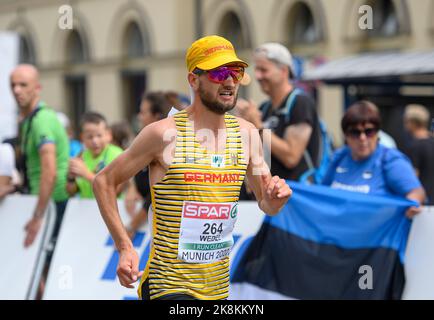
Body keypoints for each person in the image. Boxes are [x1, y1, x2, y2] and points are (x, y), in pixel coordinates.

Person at [93, 35, 292, 300]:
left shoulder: (248, 134)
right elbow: (103, 181)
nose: (230, 81)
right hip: (169, 286)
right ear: (194, 79)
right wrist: (125, 246)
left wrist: (276, 197)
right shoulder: (162, 134)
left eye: (235, 72)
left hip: (217, 288)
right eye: (219, 72)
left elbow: (265, 202)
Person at [322, 100, 425, 218]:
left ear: (377, 133)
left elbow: (416, 192)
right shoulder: (339, 157)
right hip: (339, 233)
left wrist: (412, 205)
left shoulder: (389, 160)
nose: (362, 138)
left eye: (369, 131)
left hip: (378, 234)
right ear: (346, 135)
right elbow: (322, 193)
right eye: (355, 132)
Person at [236, 42, 321, 181]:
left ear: (283, 71)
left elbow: (291, 156)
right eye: (256, 69)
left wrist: (258, 126)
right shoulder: (265, 108)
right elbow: (261, 157)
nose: (258, 76)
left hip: (295, 194)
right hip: (270, 194)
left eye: (263, 70)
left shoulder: (300, 102)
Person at [10, 64, 70, 248]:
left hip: (53, 204)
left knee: (45, 271)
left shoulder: (41, 121)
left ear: (37, 88)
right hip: (42, 202)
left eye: (23, 84)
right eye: (12, 85)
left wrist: (38, 216)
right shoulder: (29, 119)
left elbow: (49, 171)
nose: (17, 90)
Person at [124, 91, 171, 237]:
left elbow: (157, 193)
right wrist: (132, 187)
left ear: (156, 116)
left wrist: (132, 226)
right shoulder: (144, 139)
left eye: (143, 112)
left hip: (165, 230)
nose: (139, 116)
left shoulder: (165, 143)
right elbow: (132, 170)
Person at [66, 112, 124, 199]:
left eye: (99, 135)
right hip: (86, 209)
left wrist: (86, 174)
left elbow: (117, 190)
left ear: (109, 135)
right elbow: (71, 192)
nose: (94, 141)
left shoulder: (117, 154)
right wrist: (71, 178)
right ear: (82, 138)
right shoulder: (81, 156)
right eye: (89, 137)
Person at [403, 104, 434, 205]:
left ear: (412, 122)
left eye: (406, 121)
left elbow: (412, 177)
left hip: (421, 205)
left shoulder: (414, 146)